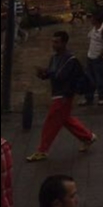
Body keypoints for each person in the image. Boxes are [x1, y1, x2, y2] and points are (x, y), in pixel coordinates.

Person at [26, 32, 95, 162]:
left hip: (64, 95)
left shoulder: (70, 60)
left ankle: (42, 150)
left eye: (56, 42)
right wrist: (43, 74)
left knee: (51, 122)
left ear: (64, 43)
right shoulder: (55, 58)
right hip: (58, 93)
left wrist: (47, 72)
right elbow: (53, 74)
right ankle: (88, 137)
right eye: (53, 42)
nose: (54, 45)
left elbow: (61, 76)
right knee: (65, 119)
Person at [83, 12, 103, 107]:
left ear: (96, 20)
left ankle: (101, 98)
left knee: (100, 80)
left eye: (92, 18)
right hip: (90, 57)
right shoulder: (94, 29)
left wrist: (99, 57)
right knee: (89, 79)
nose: (90, 20)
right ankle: (89, 98)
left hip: (100, 60)